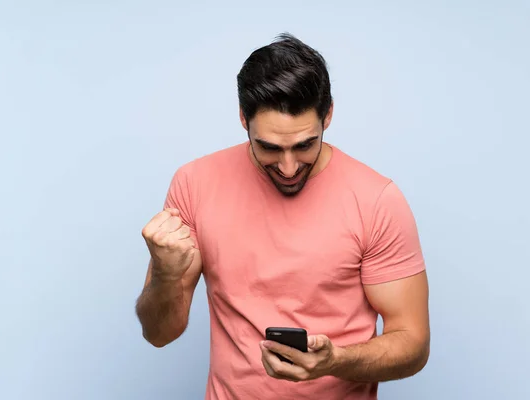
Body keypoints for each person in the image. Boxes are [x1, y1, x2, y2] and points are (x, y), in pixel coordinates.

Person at [135, 33, 430, 400]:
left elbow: (413, 345)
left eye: (305, 145)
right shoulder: (194, 184)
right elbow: (159, 334)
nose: (289, 168)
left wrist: (334, 361)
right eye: (270, 148)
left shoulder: (377, 200)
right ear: (244, 119)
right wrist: (164, 272)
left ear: (329, 115)